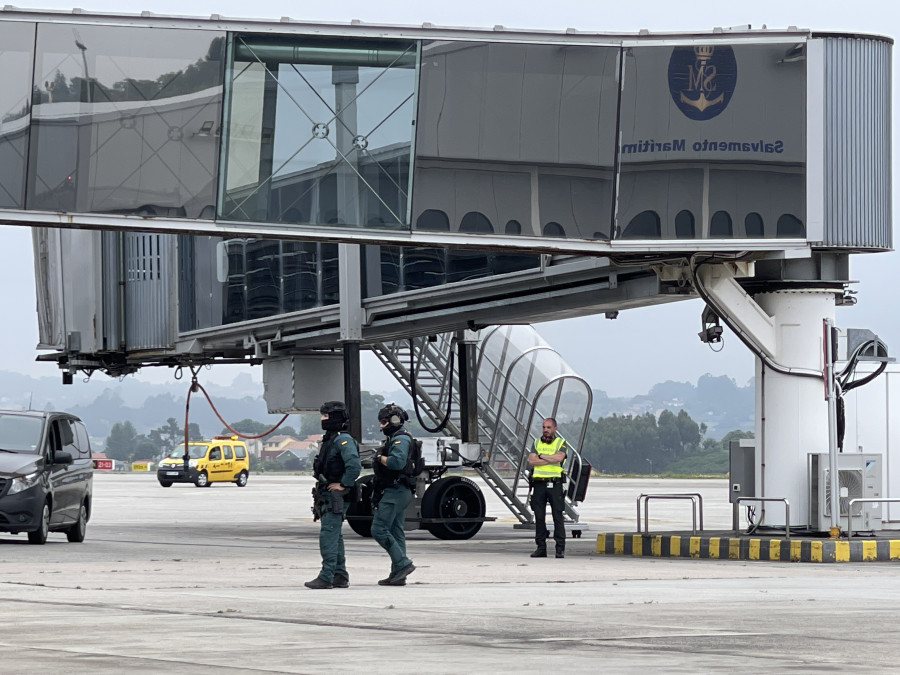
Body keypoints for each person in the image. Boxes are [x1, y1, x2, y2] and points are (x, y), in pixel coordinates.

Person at [305, 401, 361, 590]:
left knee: (328, 534)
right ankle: (339, 575)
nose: (322, 419)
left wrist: (343, 484)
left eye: (325, 416)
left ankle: (327, 576)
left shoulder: (342, 440)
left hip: (335, 494)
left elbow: (354, 464)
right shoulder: (332, 439)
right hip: (327, 492)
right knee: (335, 535)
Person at [371, 403, 416, 586]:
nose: (381, 426)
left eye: (384, 422)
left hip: (395, 490)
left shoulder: (400, 439)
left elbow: (397, 462)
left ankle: (403, 563)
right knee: (396, 531)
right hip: (398, 490)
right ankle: (398, 574)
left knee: (378, 529)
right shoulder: (395, 438)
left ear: (395, 420)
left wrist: (379, 458)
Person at [527, 417, 568, 559]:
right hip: (539, 484)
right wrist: (549, 457)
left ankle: (560, 549)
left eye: (549, 427)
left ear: (555, 429)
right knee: (539, 517)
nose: (546, 430)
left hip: (555, 484)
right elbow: (531, 460)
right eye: (544, 427)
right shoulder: (536, 442)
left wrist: (541, 456)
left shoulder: (560, 443)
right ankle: (541, 547)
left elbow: (559, 458)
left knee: (558, 516)